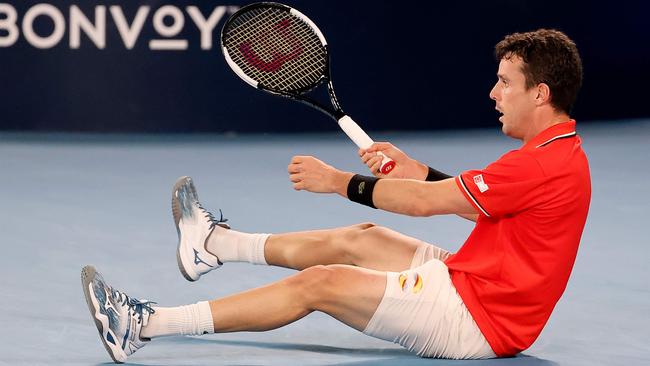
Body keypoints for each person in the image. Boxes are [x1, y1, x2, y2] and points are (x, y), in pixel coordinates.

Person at [81, 28, 590, 363]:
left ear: (539, 93)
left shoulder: (540, 163)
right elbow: (474, 198)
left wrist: (338, 182)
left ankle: (144, 324)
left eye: (504, 83)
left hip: (476, 318)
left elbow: (424, 204)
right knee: (362, 239)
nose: (493, 94)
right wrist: (417, 171)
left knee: (321, 283)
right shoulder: (557, 152)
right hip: (478, 281)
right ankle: (215, 245)